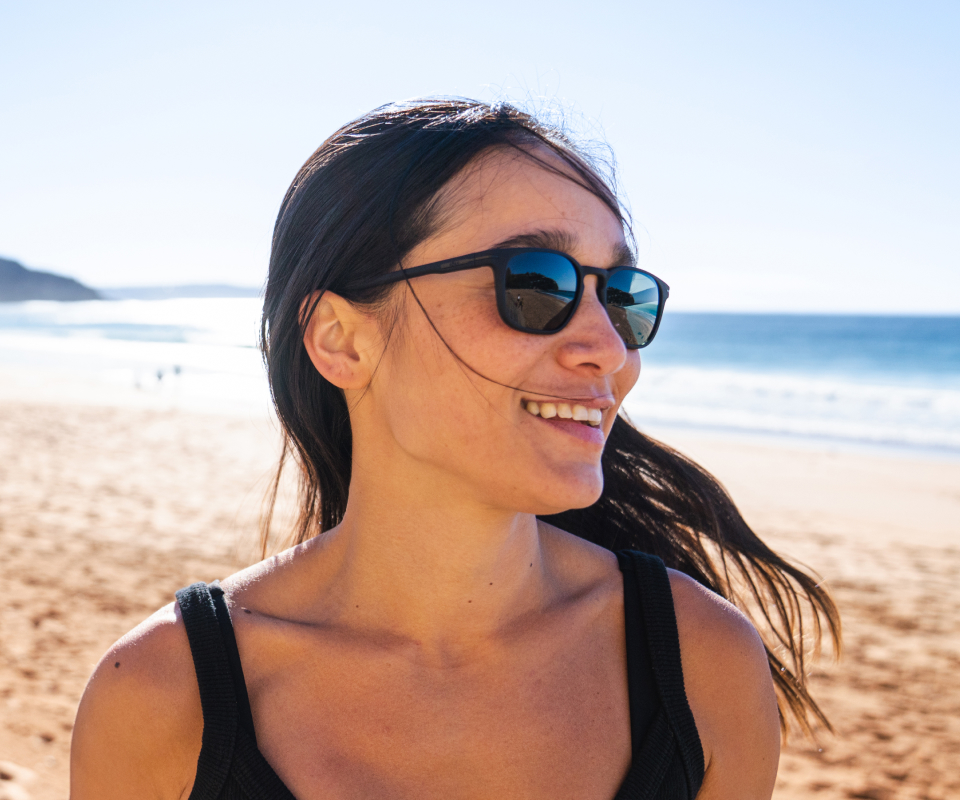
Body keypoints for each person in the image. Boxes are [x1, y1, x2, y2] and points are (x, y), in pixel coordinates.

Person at [70, 99, 840, 800]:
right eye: (537, 282)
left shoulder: (703, 664)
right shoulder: (163, 693)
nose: (607, 347)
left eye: (622, 294)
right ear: (342, 340)